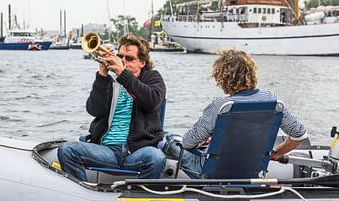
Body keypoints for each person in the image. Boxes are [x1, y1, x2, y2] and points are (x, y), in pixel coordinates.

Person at [165, 49, 307, 179]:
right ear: (251, 73)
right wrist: (275, 153)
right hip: (252, 169)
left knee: (170, 141)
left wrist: (209, 136)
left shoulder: (221, 106)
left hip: (214, 172)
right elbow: (299, 134)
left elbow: (188, 143)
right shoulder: (271, 100)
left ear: (223, 77)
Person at [58, 33, 166, 181]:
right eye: (120, 56)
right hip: (106, 150)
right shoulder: (110, 82)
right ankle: (83, 192)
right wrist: (102, 74)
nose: (123, 61)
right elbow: (94, 110)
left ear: (142, 62)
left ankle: (135, 193)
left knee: (156, 157)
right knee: (66, 150)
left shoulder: (152, 78)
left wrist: (123, 74)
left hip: (136, 151)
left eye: (129, 58)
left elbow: (152, 101)